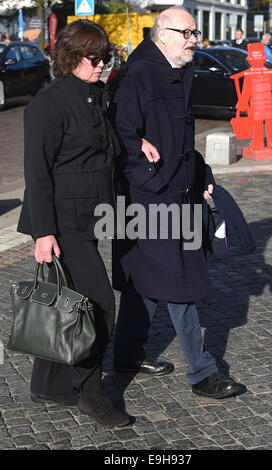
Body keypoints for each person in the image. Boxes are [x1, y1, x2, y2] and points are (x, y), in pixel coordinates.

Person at [17, 19, 157, 427]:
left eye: (105, 57)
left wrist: (138, 143)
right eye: (93, 59)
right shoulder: (48, 103)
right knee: (98, 306)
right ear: (71, 57)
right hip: (63, 224)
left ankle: (49, 384)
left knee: (67, 303)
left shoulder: (95, 95)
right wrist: (43, 233)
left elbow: (107, 146)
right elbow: (37, 173)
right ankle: (92, 392)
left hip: (93, 217)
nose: (101, 65)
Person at [111, 7, 241, 399]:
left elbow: (179, 140)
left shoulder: (173, 68)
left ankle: (127, 353)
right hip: (149, 200)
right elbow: (119, 135)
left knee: (146, 282)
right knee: (179, 281)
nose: (194, 40)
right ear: (162, 34)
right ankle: (203, 373)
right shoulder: (138, 74)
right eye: (187, 32)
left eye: (195, 32)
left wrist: (200, 175)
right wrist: (152, 181)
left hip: (174, 192)